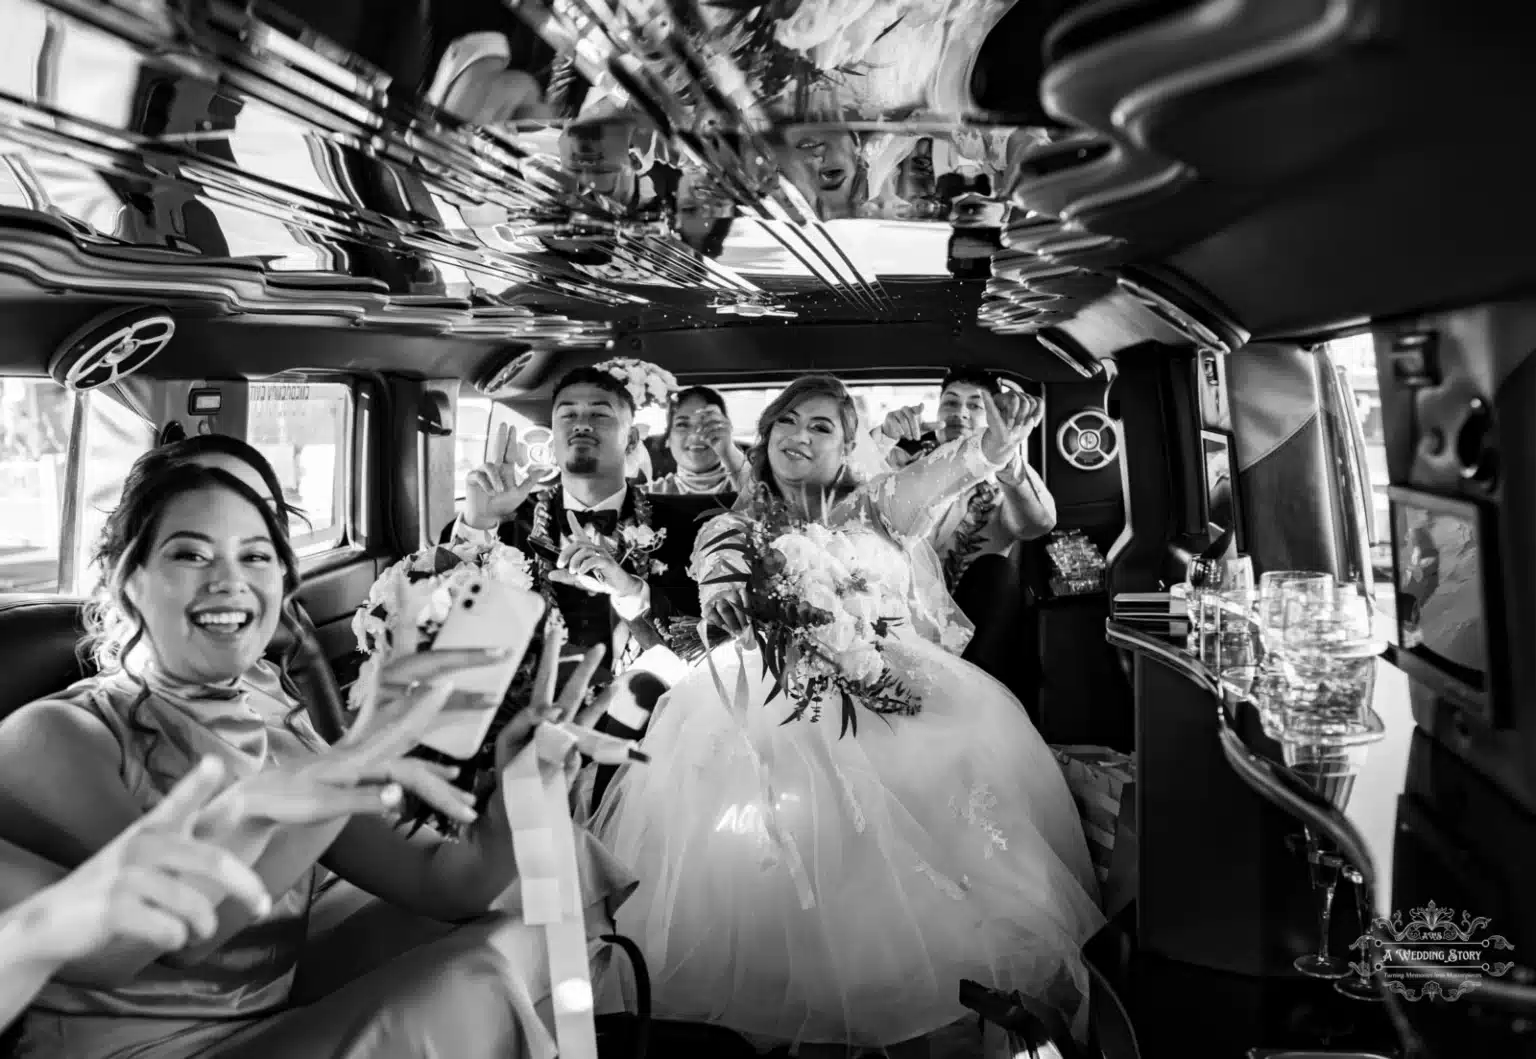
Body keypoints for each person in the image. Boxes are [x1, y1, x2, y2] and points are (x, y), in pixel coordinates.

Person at [0, 459, 627, 1058]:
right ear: (127, 580)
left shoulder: (274, 733)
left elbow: (442, 882)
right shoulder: (55, 734)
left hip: (268, 1024)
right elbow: (171, 940)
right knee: (472, 984)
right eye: (191, 555)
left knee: (538, 893)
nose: (230, 580)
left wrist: (523, 792)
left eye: (256, 557)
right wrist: (332, 773)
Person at [592, 375, 1104, 1055]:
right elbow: (719, 575)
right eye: (786, 423)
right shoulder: (730, 521)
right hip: (777, 706)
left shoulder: (880, 506)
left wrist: (988, 446)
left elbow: (943, 473)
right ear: (766, 434)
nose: (799, 436)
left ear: (848, 444)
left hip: (891, 696)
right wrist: (723, 603)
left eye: (822, 426)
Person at [453, 366, 704, 673]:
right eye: (567, 416)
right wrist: (478, 522)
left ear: (631, 438)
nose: (581, 425)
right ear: (552, 435)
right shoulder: (506, 520)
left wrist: (631, 591)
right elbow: (449, 619)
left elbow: (705, 640)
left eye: (599, 415)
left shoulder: (685, 526)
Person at [877, 367, 1057, 594]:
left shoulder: (1008, 478)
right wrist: (885, 435)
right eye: (951, 403)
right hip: (891, 611)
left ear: (994, 417)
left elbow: (1036, 525)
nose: (960, 412)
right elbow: (846, 488)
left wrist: (1004, 457)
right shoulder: (899, 465)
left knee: (998, 571)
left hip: (972, 616)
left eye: (975, 405)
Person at [648, 386, 749, 496]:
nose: (696, 435)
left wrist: (729, 452)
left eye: (709, 423)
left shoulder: (754, 487)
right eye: (682, 425)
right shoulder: (645, 496)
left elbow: (763, 499)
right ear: (667, 438)